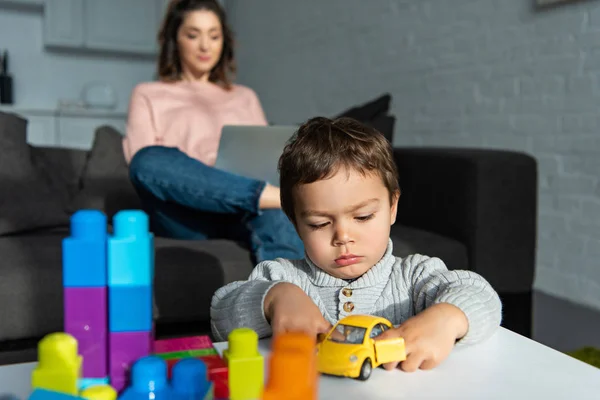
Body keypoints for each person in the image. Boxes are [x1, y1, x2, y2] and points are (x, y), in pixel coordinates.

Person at [210, 116, 502, 372]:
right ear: (294, 221)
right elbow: (222, 315)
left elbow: (480, 294)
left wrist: (447, 318)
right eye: (319, 223)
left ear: (392, 207)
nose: (343, 236)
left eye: (362, 217)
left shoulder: (415, 275)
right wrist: (273, 299)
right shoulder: (282, 278)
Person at [122, 0, 303, 263]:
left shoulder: (245, 97)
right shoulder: (148, 94)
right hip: (185, 213)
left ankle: (290, 297)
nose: (205, 46)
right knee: (147, 159)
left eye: (214, 36)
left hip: (242, 211)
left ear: (224, 41)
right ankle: (286, 198)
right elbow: (145, 171)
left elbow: (265, 160)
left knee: (274, 210)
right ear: (176, 39)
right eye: (193, 35)